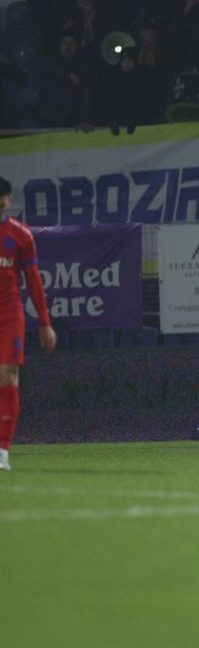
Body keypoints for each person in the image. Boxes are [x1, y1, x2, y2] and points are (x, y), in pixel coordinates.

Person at [0, 177, 57, 471]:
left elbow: (34, 281)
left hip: (9, 314)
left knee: (8, 376)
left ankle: (2, 452)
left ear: (8, 200)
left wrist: (45, 323)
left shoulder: (21, 234)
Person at [37, 33, 95, 130]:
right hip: (48, 122)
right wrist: (68, 75)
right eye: (65, 43)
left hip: (72, 123)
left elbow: (87, 96)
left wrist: (86, 120)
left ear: (76, 46)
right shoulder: (51, 63)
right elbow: (49, 69)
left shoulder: (83, 67)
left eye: (71, 43)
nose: (68, 46)